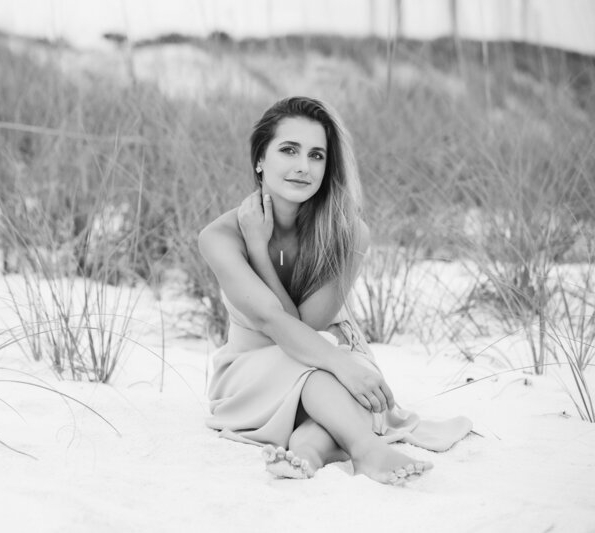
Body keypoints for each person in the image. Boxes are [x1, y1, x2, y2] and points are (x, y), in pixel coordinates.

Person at [198, 96, 472, 485]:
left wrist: (345, 363)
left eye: (316, 155)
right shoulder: (219, 237)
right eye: (289, 150)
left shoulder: (349, 234)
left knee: (331, 380)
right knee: (327, 376)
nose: (302, 167)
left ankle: (306, 453)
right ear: (260, 159)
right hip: (250, 372)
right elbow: (273, 322)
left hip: (321, 349)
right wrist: (259, 249)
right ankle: (366, 450)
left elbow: (307, 326)